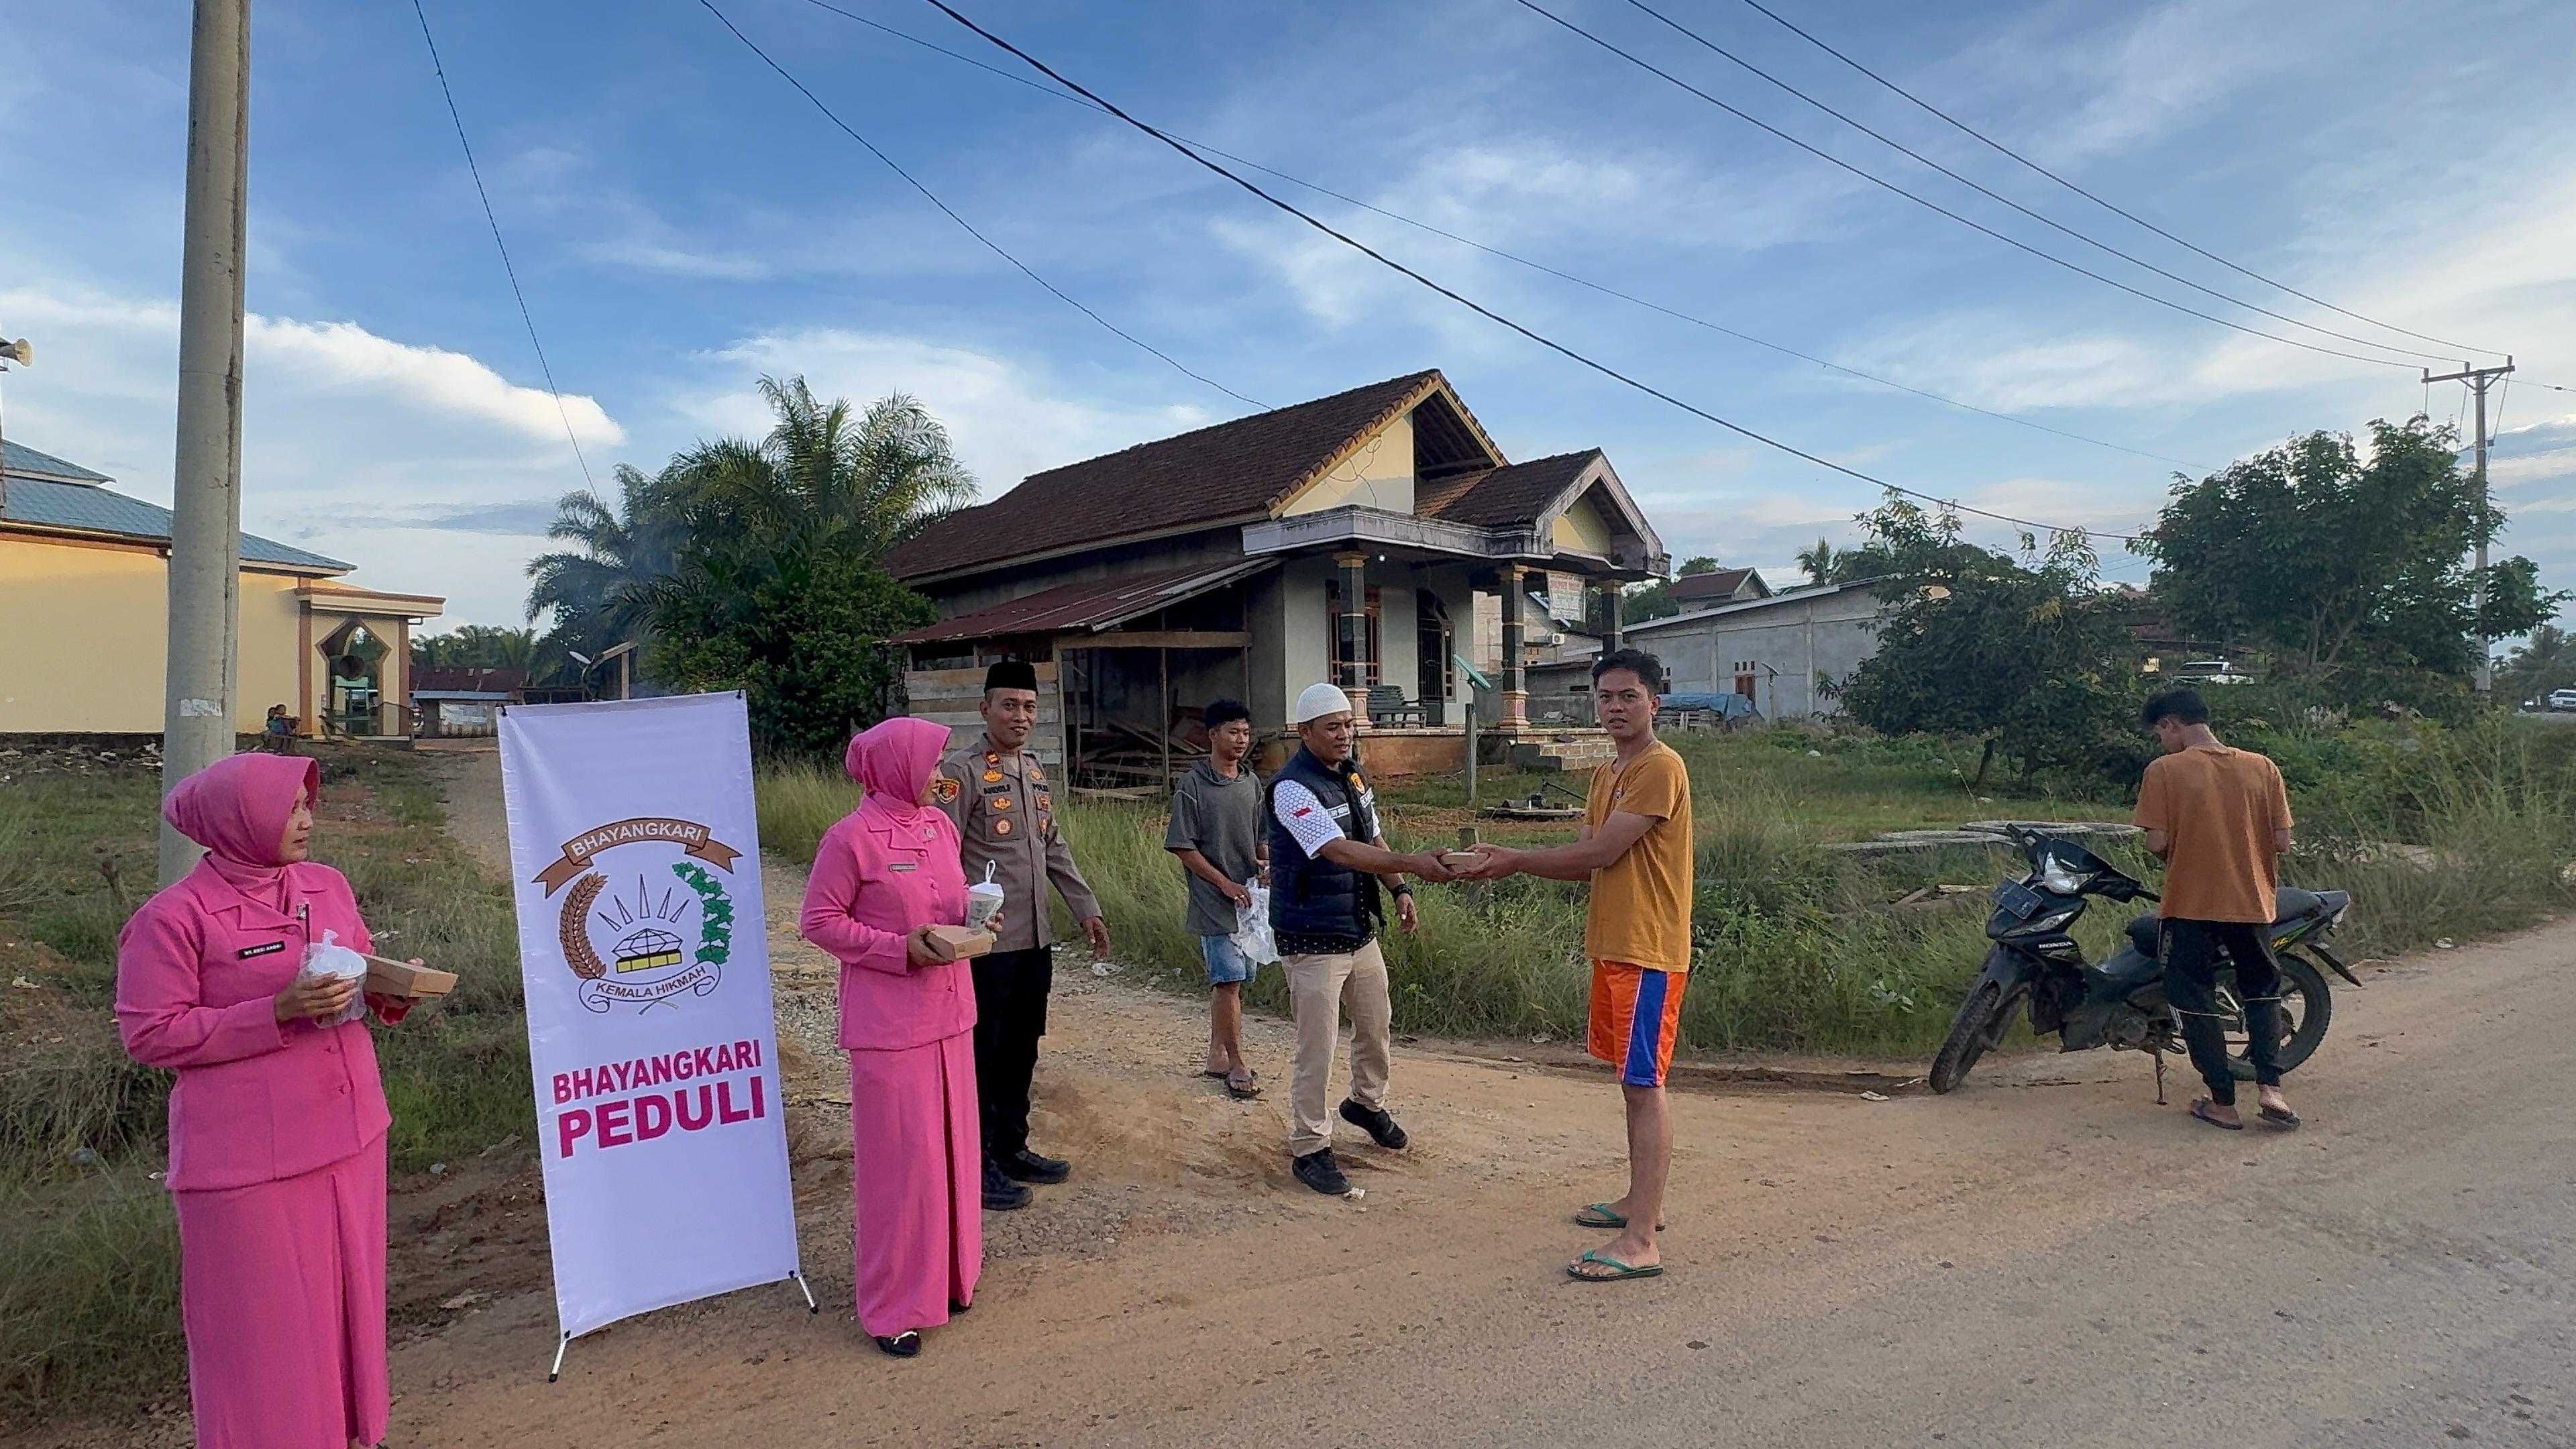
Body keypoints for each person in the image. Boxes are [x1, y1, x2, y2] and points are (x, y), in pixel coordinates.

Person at [115, 753, 419, 1448]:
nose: (307, 820)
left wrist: (392, 990)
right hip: (251, 1165)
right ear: (237, 820)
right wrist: (275, 1010)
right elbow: (149, 1033)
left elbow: (360, 968)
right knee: (266, 1346)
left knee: (348, 1319)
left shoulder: (326, 886)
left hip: (352, 1136)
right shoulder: (174, 918)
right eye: (289, 809)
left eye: (307, 805)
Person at [1458, 648, 1693, 1282]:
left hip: (1649, 949)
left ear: (1655, 701)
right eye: (1607, 697)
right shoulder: (1608, 772)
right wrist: (1509, 855)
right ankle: (1640, 1206)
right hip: (1616, 945)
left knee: (1646, 1087)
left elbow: (1602, 854)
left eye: (1629, 697)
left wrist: (1511, 859)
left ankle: (1642, 1239)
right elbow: (1589, 849)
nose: (1616, 708)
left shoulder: (1659, 767)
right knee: (1631, 1082)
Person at [800, 718, 983, 1358]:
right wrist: (896, 950)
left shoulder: (938, 827)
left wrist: (979, 916)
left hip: (952, 1014)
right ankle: (895, 1307)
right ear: (898, 768)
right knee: (903, 1169)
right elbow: (819, 922)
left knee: (955, 1152)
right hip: (890, 1026)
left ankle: (953, 1279)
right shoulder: (850, 839)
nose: (942, 775)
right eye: (933, 764)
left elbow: (948, 905)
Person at [931, 659, 1110, 1211]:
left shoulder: (1033, 772)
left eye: (1030, 707)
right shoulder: (959, 773)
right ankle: (977, 1161)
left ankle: (1012, 1147)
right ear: (985, 709)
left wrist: (1086, 908)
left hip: (1034, 940)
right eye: (1009, 705)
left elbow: (1053, 847)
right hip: (987, 946)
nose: (1021, 716)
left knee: (1022, 1047)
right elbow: (941, 854)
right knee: (984, 1053)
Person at [1267, 682, 1453, 1195]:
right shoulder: (1290, 789)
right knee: (1317, 1047)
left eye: (1349, 724)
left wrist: (1399, 887)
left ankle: (1365, 1105)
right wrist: (1413, 861)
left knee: (1376, 1025)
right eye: (1333, 727)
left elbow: (1371, 836)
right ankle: (1310, 1146)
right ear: (1305, 733)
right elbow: (1338, 851)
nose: (1345, 734)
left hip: (1355, 927)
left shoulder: (1351, 774)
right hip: (1310, 935)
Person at [2134, 688, 2300, 1132]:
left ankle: (2223, 1102)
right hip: (2252, 903)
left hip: (2190, 904)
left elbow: (2155, 842)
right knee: (2262, 990)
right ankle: (2271, 1091)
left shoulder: (2164, 771)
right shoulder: (2262, 767)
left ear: (2172, 724)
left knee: (2195, 998)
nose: (2161, 742)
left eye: (2160, 733)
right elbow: (2282, 841)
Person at [1165, 698, 1269, 1099]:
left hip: (1248, 899)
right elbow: (1182, 847)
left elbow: (1260, 835)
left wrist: (1264, 863)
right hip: (1213, 897)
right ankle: (1238, 1064)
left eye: (1245, 732)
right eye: (1233, 732)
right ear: (1213, 735)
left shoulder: (1251, 782)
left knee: (1236, 983)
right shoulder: (1193, 785)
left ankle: (1216, 1056)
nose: (1241, 740)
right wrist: (1223, 883)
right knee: (1228, 980)